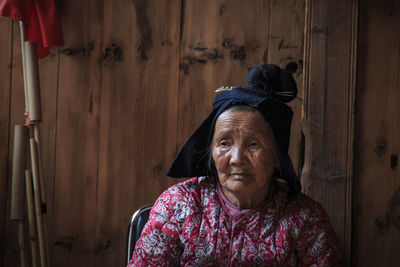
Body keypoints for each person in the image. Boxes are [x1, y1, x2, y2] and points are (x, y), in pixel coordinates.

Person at [128, 64, 341, 266]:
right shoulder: (178, 205)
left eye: (253, 144)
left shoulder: (306, 218)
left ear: (277, 156)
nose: (237, 158)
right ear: (210, 151)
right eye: (224, 143)